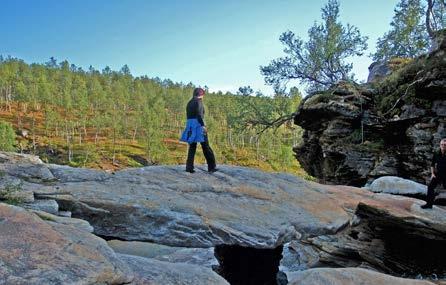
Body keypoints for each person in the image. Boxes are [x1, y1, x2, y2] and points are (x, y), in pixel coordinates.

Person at [180, 87, 217, 173]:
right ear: (201, 95)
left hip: (190, 126)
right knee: (206, 146)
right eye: (203, 95)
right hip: (198, 126)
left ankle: (189, 168)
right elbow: (199, 115)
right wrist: (203, 126)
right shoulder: (199, 102)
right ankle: (211, 167)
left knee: (192, 147)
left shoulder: (189, 103)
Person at [421, 138, 446, 209]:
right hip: (437, 174)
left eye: (445, 145)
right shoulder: (436, 153)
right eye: (442, 144)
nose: (443, 146)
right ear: (440, 145)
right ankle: (429, 204)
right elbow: (432, 165)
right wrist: (432, 174)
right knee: (430, 187)